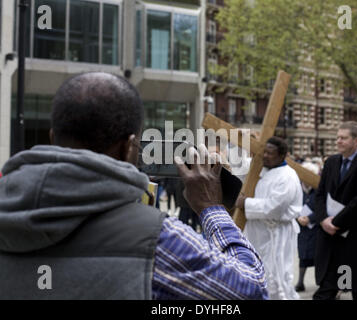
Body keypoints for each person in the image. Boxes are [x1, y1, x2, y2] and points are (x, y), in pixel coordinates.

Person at [0, 72, 268, 300]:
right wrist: (211, 208)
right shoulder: (157, 238)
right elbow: (252, 287)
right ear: (129, 147)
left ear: (52, 137)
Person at [313, 121, 357, 300]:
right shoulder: (331, 162)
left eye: (343, 138)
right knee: (327, 289)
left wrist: (335, 222)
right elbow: (320, 194)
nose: (338, 141)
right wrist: (323, 220)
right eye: (337, 137)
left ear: (356, 140)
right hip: (330, 238)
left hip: (355, 237)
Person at [235, 136, 303, 300]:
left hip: (277, 234)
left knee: (277, 279)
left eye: (270, 153)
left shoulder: (287, 176)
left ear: (281, 156)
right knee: (256, 275)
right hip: (257, 233)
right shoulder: (260, 171)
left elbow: (275, 208)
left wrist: (247, 203)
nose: (265, 155)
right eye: (264, 151)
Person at [295, 161, 320, 292]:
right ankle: (300, 282)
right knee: (303, 255)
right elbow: (290, 205)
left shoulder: (318, 189)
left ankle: (321, 282)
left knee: (318, 255)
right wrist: (298, 217)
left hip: (316, 228)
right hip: (302, 228)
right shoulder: (297, 187)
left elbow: (323, 207)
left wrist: (310, 218)